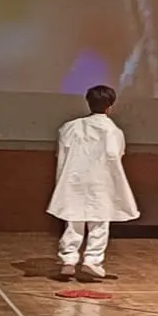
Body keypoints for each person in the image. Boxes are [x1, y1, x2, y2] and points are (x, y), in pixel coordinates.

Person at [46, 85, 139, 281]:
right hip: (101, 180)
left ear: (88, 102)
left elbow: (61, 154)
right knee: (100, 220)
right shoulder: (114, 131)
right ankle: (93, 260)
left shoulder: (70, 127)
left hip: (74, 178)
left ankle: (69, 259)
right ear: (110, 106)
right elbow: (116, 155)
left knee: (73, 218)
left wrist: (61, 180)